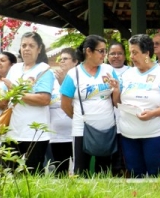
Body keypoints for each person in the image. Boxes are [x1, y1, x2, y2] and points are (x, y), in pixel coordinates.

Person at [118, 34, 160, 177]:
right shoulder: (127, 74)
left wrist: (152, 113)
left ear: (147, 53)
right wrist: (114, 89)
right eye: (130, 52)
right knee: (134, 174)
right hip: (128, 134)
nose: (131, 56)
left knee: (155, 175)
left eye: (135, 52)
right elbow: (117, 101)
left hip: (154, 134)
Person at [60, 35, 120, 176]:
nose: (104, 55)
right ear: (88, 51)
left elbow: (116, 102)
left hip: (107, 129)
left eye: (105, 51)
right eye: (101, 51)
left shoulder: (109, 70)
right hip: (82, 130)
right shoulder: (74, 74)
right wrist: (79, 117)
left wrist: (116, 90)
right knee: (82, 171)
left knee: (104, 172)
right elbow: (65, 104)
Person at [4, 32, 55, 174]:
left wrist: (16, 92)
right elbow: (5, 96)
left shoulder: (44, 70)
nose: (26, 49)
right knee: (10, 174)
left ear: (39, 49)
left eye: (31, 46)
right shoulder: (14, 69)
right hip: (13, 131)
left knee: (32, 176)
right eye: (24, 45)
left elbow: (44, 99)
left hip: (35, 132)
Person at [50, 48, 77, 175]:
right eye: (60, 59)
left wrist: (63, 84)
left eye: (65, 59)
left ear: (75, 61)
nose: (61, 62)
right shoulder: (52, 81)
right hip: (56, 136)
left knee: (78, 171)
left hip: (74, 134)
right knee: (59, 171)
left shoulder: (78, 78)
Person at [106, 41, 129, 176]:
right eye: (112, 53)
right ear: (107, 56)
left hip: (125, 122)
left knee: (124, 160)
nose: (116, 56)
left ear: (125, 56)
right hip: (107, 122)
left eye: (119, 53)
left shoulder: (131, 72)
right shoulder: (102, 71)